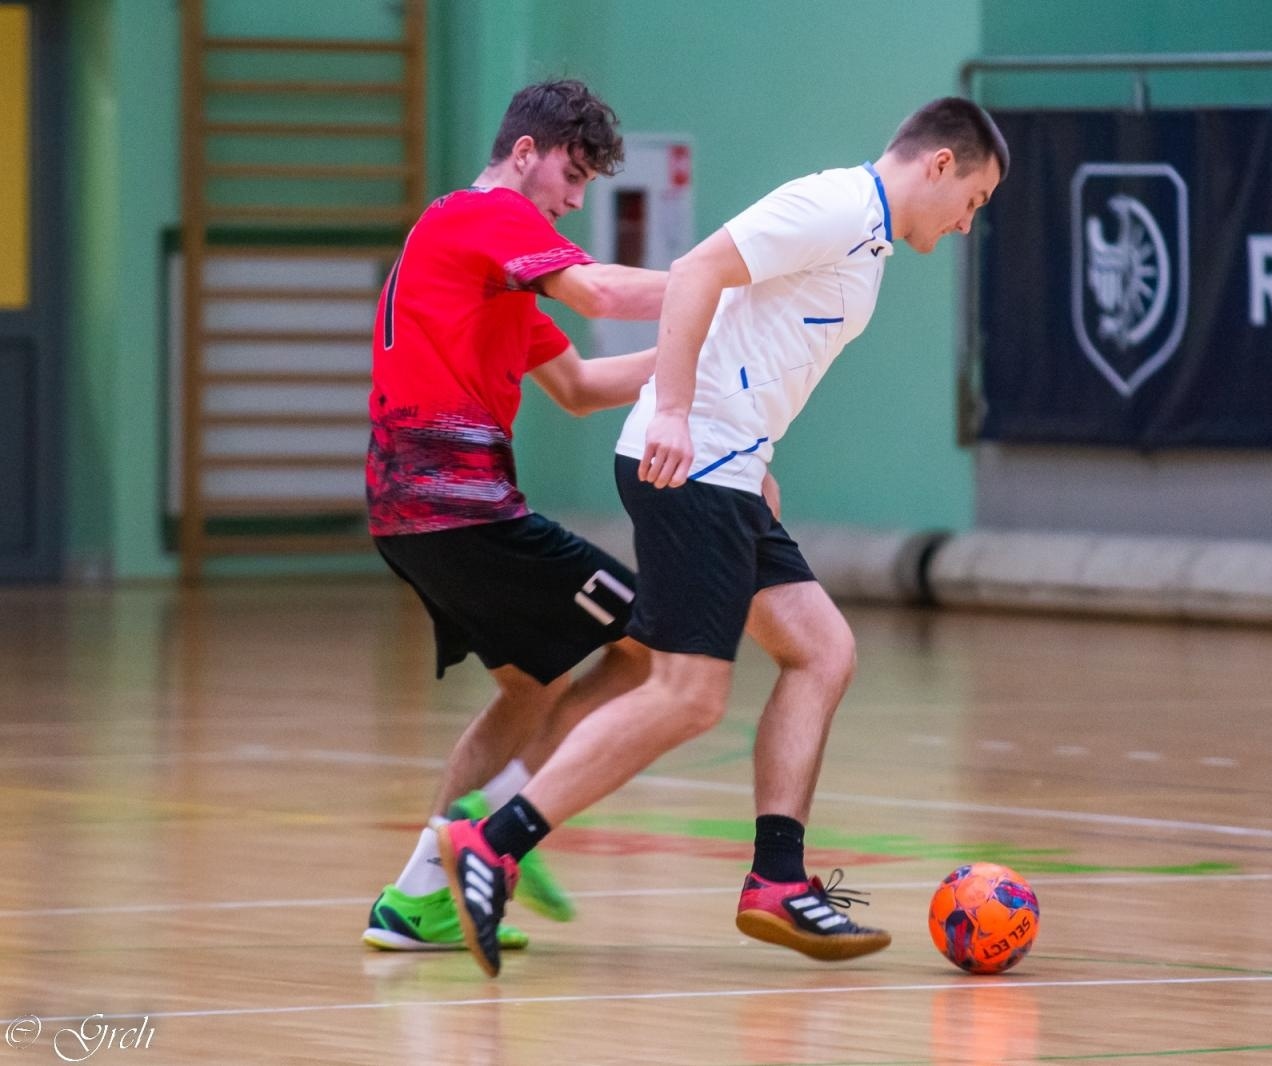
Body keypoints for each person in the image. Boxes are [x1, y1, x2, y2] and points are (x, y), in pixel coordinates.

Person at [434, 96, 1010, 977]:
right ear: (939, 166)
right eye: (973, 200)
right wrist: (673, 412)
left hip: (731, 469)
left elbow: (753, 333)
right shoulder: (834, 206)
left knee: (823, 651)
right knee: (689, 695)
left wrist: (756, 452)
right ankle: (494, 840)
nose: (968, 224)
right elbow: (699, 270)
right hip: (689, 463)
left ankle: (777, 880)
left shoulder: (869, 244)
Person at [360, 79, 669, 954]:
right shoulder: (480, 215)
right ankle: (501, 830)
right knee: (657, 641)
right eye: (570, 176)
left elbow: (580, 388)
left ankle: (417, 900)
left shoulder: (489, 275)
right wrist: (720, 286)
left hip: (411, 512)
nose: (574, 202)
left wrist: (704, 348)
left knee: (531, 686)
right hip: (459, 508)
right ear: (524, 154)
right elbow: (603, 297)